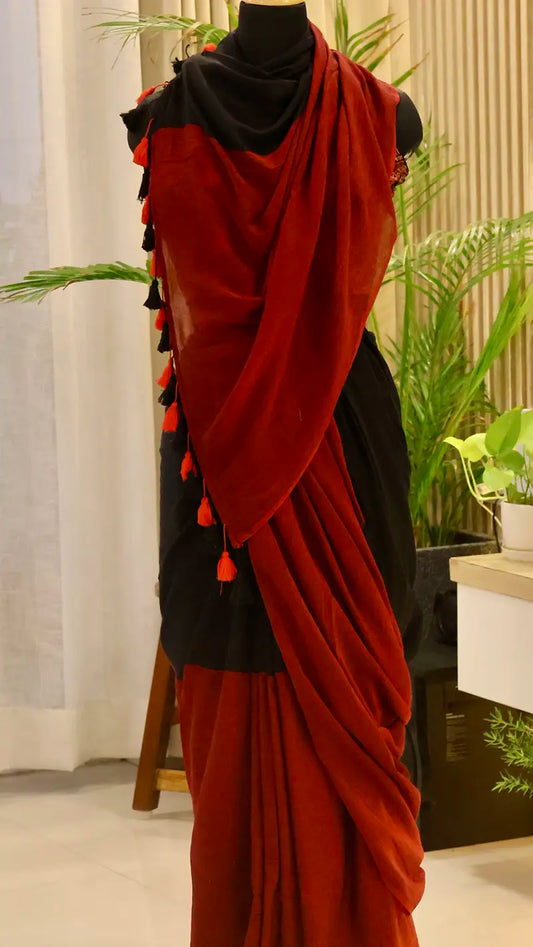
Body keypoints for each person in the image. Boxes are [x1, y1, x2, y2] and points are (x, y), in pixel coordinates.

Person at [122, 3, 425, 944]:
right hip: (273, 451)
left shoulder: (374, 110)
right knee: (235, 675)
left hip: (282, 448)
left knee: (341, 669)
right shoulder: (169, 108)